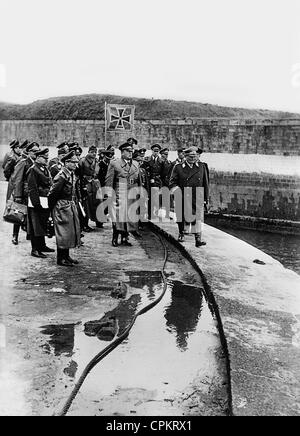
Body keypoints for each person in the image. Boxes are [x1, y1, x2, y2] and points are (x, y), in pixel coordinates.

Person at [169, 146, 209, 247]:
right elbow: (172, 183)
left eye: (195, 156)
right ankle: (181, 233)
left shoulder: (202, 166)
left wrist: (206, 199)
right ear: (186, 156)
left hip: (197, 196)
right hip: (182, 196)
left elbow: (205, 183)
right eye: (190, 156)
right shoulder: (178, 167)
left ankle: (198, 239)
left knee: (197, 217)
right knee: (181, 216)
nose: (193, 158)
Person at [105, 142, 142, 247]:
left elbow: (139, 180)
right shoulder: (114, 163)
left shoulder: (135, 163)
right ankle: (115, 237)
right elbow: (109, 179)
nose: (130, 153)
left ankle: (125, 238)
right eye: (128, 151)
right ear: (122, 152)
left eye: (131, 151)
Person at [48, 150, 81, 267]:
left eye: (76, 162)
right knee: (63, 232)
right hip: (61, 206)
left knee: (69, 232)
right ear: (66, 162)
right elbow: (52, 194)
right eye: (73, 162)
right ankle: (60, 258)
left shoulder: (70, 174)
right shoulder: (61, 175)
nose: (75, 165)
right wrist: (51, 210)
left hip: (69, 205)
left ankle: (66, 256)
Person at [10, 141, 40, 245]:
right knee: (18, 214)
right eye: (34, 151)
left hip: (31, 194)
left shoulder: (36, 163)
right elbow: (18, 180)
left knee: (30, 214)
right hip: (22, 193)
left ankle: (29, 234)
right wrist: (18, 196)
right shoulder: (23, 162)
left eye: (38, 151)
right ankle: (15, 235)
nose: (36, 154)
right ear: (29, 151)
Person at [26, 148, 54, 258]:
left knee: (42, 223)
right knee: (35, 226)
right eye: (44, 158)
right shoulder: (33, 169)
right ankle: (35, 249)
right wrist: (36, 203)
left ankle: (42, 245)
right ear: (38, 158)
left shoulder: (44, 168)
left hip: (45, 200)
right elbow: (32, 188)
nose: (46, 160)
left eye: (47, 158)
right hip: (36, 201)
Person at [76, 145, 101, 231]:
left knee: (94, 204)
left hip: (93, 184)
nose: (94, 154)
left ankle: (95, 221)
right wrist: (82, 186)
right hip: (85, 184)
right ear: (89, 151)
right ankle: (84, 225)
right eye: (92, 152)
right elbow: (79, 174)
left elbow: (97, 173)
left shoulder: (96, 161)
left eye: (95, 152)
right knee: (85, 205)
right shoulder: (82, 161)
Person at [142, 143, 163, 217]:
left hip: (157, 181)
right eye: (154, 151)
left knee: (156, 198)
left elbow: (163, 172)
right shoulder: (147, 159)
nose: (156, 152)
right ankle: (150, 214)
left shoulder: (161, 161)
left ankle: (155, 213)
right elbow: (144, 170)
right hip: (149, 181)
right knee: (149, 198)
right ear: (152, 151)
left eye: (157, 151)